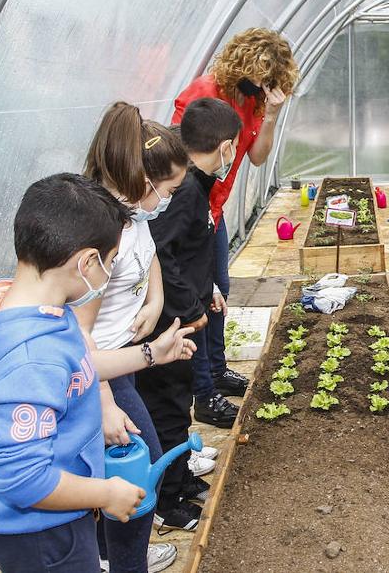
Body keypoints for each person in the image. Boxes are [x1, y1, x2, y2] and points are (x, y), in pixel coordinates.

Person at [0, 173, 196, 573]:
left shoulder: (40, 313)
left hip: (55, 514)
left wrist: (150, 354)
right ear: (87, 262)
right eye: (109, 263)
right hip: (40, 533)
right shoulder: (30, 360)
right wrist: (105, 492)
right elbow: (24, 479)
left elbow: (80, 370)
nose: (107, 275)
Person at [77, 103, 200, 573]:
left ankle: (110, 556)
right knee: (136, 475)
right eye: (165, 191)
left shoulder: (131, 217)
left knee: (121, 472)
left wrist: (153, 300)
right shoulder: (103, 234)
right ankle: (128, 562)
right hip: (100, 379)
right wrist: (105, 404)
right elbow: (79, 334)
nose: (166, 201)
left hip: (121, 363)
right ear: (141, 181)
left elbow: (149, 255)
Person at [172, 28, 299, 421]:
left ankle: (215, 368)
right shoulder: (205, 91)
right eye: (262, 75)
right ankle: (203, 394)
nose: (264, 85)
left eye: (271, 79)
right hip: (190, 209)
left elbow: (258, 158)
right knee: (198, 298)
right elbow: (178, 153)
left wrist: (272, 114)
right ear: (243, 62)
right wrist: (195, 215)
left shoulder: (254, 101)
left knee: (220, 290)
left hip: (215, 209)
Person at [135, 97, 242, 532]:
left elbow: (185, 252)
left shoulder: (192, 188)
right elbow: (162, 254)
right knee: (169, 409)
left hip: (183, 313)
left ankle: (178, 481)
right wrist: (190, 306)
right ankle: (167, 500)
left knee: (176, 407)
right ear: (226, 146)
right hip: (170, 325)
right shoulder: (184, 194)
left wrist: (209, 287)